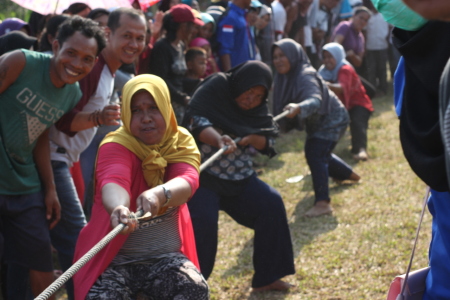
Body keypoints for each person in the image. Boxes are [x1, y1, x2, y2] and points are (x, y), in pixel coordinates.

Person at [73, 74, 208, 300]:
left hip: (166, 258)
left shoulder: (180, 140)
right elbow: (113, 180)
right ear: (125, 112)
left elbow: (187, 179)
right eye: (136, 110)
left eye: (153, 108)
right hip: (114, 262)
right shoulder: (115, 144)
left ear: (167, 107)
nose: (145, 118)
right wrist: (118, 208)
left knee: (192, 288)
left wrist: (161, 193)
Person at [0, 16, 104, 299]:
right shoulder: (21, 61)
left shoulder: (72, 93)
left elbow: (40, 134)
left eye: (87, 58)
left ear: (94, 63)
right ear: (56, 45)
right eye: (71, 52)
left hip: (25, 186)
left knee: (43, 273)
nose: (76, 63)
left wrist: (50, 188)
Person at [48, 8, 146, 300]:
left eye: (140, 38)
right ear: (108, 35)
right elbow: (62, 119)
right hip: (53, 158)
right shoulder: (92, 67)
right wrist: (98, 118)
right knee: (80, 240)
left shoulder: (109, 70)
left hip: (66, 159)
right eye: (126, 35)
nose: (133, 43)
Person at [182, 60, 295, 292]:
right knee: (202, 226)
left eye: (258, 95)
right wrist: (218, 139)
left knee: (271, 204)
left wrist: (252, 138)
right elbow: (195, 119)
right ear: (240, 83)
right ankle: (190, 288)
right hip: (203, 177)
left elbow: (269, 142)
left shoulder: (257, 109)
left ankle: (267, 277)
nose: (250, 99)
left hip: (239, 178)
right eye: (249, 91)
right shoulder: (217, 86)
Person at [271, 38, 360, 217]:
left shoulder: (305, 75)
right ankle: (349, 175)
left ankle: (323, 203)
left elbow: (315, 99)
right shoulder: (284, 77)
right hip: (317, 122)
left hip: (332, 118)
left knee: (315, 152)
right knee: (320, 152)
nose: (278, 60)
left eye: (283, 55)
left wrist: (298, 107)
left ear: (293, 56)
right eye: (275, 57)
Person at [319, 42, 373, 161]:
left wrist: (324, 85)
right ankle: (326, 152)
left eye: (330, 56)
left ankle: (361, 150)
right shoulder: (322, 72)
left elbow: (342, 88)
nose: (327, 60)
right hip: (339, 106)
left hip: (358, 102)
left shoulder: (345, 69)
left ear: (337, 56)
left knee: (357, 122)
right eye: (325, 57)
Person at [150, 4, 204, 123]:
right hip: (166, 107)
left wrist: (200, 83)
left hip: (180, 105)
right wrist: (183, 98)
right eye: (192, 26)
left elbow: (179, 79)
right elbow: (161, 81)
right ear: (183, 26)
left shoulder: (181, 46)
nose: (194, 30)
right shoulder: (162, 47)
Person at [216, 0, 252, 71]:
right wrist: (229, 75)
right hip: (237, 74)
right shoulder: (230, 17)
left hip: (245, 71)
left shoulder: (242, 14)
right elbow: (224, 50)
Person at [331, 6, 371, 70]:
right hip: (336, 67)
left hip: (349, 70)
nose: (362, 21)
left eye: (365, 20)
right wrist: (345, 53)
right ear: (354, 16)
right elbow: (335, 46)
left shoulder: (361, 37)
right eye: (361, 18)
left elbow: (359, 62)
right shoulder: (345, 26)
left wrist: (353, 56)